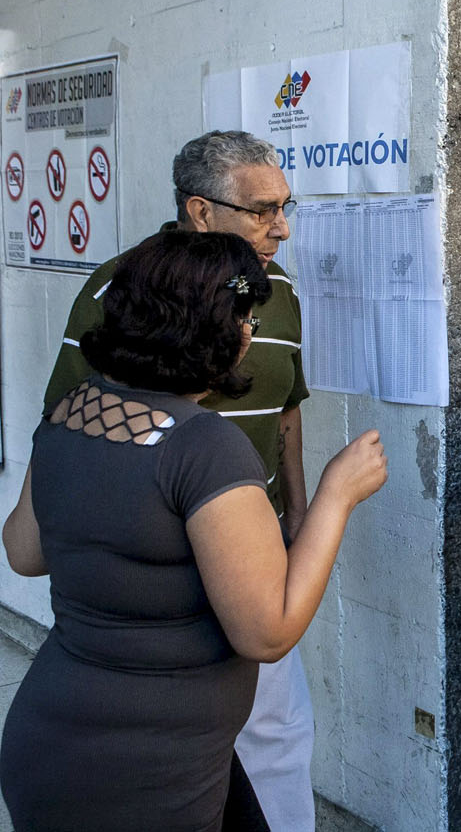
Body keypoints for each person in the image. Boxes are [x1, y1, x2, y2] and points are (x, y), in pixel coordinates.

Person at [0, 230, 386, 830]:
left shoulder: (68, 413)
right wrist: (337, 495)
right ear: (212, 330)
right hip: (150, 775)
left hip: (50, 739)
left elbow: (24, 551)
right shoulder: (204, 447)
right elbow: (266, 633)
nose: (250, 332)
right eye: (244, 318)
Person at [43, 131, 318, 829]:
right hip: (149, 570)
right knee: (169, 753)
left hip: (254, 554)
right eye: (261, 210)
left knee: (276, 741)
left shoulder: (277, 290)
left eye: (286, 207)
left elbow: (285, 413)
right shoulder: (120, 288)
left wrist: (300, 520)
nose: (280, 228)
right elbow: (66, 428)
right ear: (200, 210)